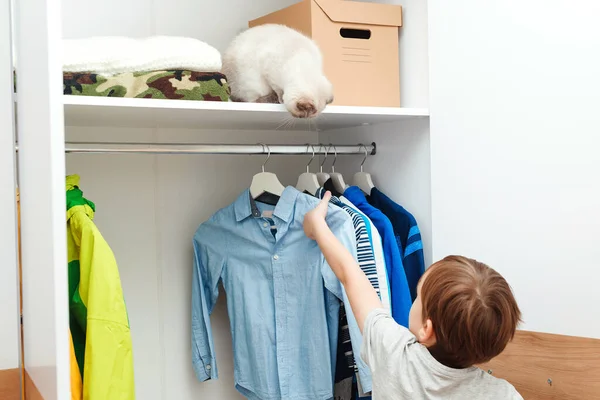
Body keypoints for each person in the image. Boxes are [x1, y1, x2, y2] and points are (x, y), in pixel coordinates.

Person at [303, 191, 524, 399]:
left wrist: (318, 227)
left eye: (417, 297)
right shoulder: (504, 395)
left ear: (427, 330)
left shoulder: (394, 354)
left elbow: (351, 276)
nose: (413, 300)